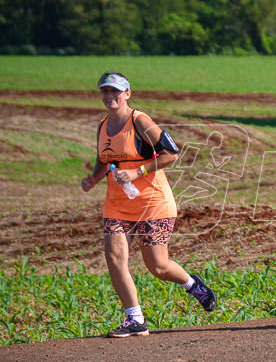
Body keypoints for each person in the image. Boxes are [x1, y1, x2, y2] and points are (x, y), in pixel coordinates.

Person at [80, 72, 216, 337]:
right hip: (117, 204)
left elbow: (172, 154)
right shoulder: (102, 125)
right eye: (105, 92)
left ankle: (192, 284)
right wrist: (94, 179)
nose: (110, 97)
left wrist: (136, 172)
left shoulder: (139, 121)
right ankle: (135, 318)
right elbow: (102, 157)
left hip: (153, 203)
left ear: (127, 93)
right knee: (115, 257)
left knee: (157, 266)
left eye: (115, 92)